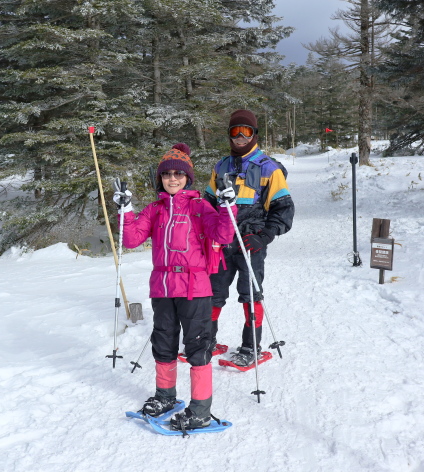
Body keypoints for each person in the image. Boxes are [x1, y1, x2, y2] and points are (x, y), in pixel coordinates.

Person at [115, 143, 237, 431]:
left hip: (195, 287)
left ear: (187, 178)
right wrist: (126, 210)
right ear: (160, 178)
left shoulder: (199, 207)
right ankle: (166, 396)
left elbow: (223, 233)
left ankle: (200, 411)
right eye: (167, 174)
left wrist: (227, 205)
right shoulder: (155, 209)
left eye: (178, 174)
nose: (172, 178)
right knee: (164, 344)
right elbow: (131, 239)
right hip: (163, 287)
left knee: (197, 348)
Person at [204, 109, 295, 367]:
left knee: (250, 293)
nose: (240, 137)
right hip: (222, 242)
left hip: (250, 242)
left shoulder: (269, 168)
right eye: (235, 132)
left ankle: (250, 346)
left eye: (246, 131)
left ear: (255, 134)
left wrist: (265, 236)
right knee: (213, 291)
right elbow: (208, 204)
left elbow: (284, 208)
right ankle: (207, 341)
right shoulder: (221, 166)